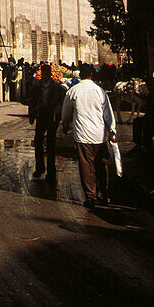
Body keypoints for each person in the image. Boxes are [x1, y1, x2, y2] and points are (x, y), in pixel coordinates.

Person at [61, 61, 115, 210]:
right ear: (91, 74)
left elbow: (65, 113)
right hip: (99, 135)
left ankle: (90, 196)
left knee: (86, 166)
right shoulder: (99, 91)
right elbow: (108, 113)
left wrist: (65, 124)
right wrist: (112, 131)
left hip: (82, 135)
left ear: (80, 75)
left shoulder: (73, 91)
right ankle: (104, 194)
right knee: (101, 164)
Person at [28, 62, 65, 181]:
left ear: (50, 74)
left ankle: (51, 170)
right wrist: (31, 115)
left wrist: (57, 114)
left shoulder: (57, 88)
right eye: (42, 74)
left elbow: (61, 102)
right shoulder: (36, 86)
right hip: (41, 116)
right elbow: (32, 101)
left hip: (51, 117)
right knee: (38, 142)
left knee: (50, 144)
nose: (44, 76)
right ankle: (39, 168)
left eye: (46, 74)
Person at [132, 75, 154, 153]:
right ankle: (140, 144)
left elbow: (150, 111)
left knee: (141, 122)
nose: (149, 88)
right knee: (138, 121)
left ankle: (142, 145)